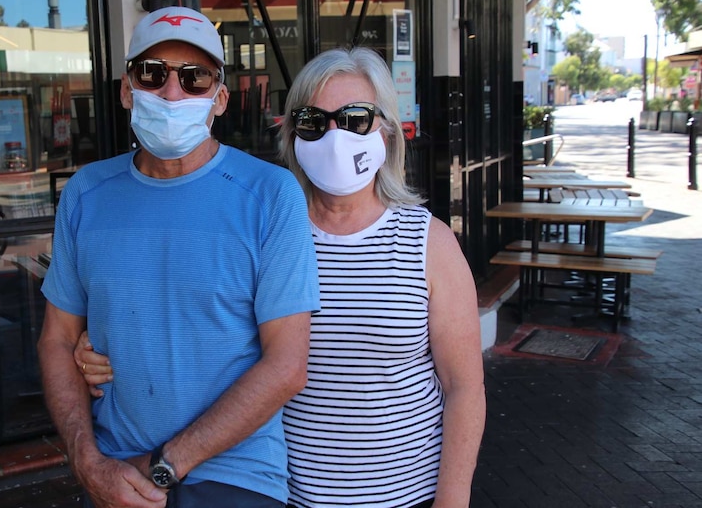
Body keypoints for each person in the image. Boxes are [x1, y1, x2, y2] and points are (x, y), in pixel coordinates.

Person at [77, 46, 486, 507]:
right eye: (314, 121)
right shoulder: (264, 227)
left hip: (405, 496)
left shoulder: (426, 243)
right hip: (286, 495)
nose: (335, 135)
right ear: (292, 135)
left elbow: (464, 386)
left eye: (355, 118)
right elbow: (190, 318)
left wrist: (452, 500)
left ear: (387, 131)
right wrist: (95, 345)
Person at [37, 5, 320, 508]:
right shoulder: (86, 194)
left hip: (235, 476)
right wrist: (85, 458)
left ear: (219, 99)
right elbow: (58, 339)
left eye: (195, 79)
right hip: (113, 472)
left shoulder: (270, 194)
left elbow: (286, 366)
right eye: (152, 74)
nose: (171, 93)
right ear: (126, 89)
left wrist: (163, 466)